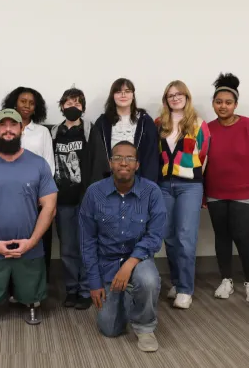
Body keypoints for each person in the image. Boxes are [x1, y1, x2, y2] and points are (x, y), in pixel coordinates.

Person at [0, 109, 58, 326]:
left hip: (30, 245)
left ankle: (31, 303)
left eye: (13, 125)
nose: (8, 130)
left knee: (31, 286)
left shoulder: (38, 164)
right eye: (3, 125)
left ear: (21, 129)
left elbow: (50, 207)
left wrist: (32, 242)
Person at [79, 141, 166, 352]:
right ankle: (128, 296)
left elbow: (155, 236)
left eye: (130, 158)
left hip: (138, 260)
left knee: (148, 280)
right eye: (118, 158)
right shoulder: (94, 193)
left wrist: (129, 265)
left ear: (137, 165)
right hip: (107, 262)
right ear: (110, 163)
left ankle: (145, 327)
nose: (124, 163)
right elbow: (87, 241)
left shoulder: (151, 192)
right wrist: (94, 283)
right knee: (109, 329)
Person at [204, 73, 249, 304]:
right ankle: (226, 280)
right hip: (215, 193)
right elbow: (200, 163)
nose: (222, 106)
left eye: (228, 102)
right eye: (218, 102)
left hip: (244, 195)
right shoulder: (207, 129)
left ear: (235, 104)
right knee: (222, 237)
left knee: (243, 237)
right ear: (213, 104)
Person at [155, 81, 210, 309]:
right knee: (169, 236)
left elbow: (204, 155)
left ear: (187, 97)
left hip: (190, 186)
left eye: (179, 94)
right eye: (170, 95)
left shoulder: (199, 124)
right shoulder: (159, 124)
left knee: (185, 237)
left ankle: (186, 289)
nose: (175, 98)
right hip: (164, 185)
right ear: (166, 99)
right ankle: (177, 283)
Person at [2, 87, 56, 283]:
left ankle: (39, 286)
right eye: (23, 101)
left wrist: (42, 195)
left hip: (37, 197)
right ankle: (11, 286)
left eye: (31, 103)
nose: (26, 105)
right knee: (11, 240)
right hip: (9, 197)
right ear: (14, 103)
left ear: (36, 108)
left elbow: (49, 166)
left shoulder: (42, 132)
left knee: (40, 240)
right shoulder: (7, 129)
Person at [51, 87, 93, 310]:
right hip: (62, 199)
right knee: (67, 247)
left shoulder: (89, 129)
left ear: (83, 107)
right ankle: (71, 289)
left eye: (77, 103)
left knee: (86, 245)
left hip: (85, 198)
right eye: (68, 103)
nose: (73, 107)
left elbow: (96, 161)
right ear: (62, 106)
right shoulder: (54, 132)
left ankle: (86, 290)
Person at [88, 78, 158, 184]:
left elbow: (151, 155)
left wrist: (147, 184)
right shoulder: (102, 122)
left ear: (133, 95)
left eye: (127, 91)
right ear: (113, 96)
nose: (123, 95)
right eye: (118, 92)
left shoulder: (145, 121)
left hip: (139, 179)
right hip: (109, 180)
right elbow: (97, 156)